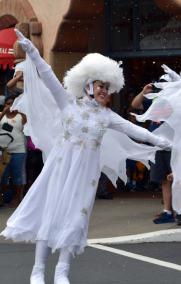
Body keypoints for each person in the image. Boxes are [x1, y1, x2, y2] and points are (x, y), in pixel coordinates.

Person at [1, 30, 171, 284]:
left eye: (107, 86)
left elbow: (135, 130)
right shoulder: (68, 102)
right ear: (89, 85)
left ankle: (62, 272)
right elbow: (48, 76)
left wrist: (164, 142)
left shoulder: (107, 116)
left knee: (75, 219)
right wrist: (33, 52)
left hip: (86, 176)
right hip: (61, 168)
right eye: (100, 85)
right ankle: (37, 271)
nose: (104, 90)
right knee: (52, 213)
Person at [132, 74, 175, 224]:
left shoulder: (176, 100)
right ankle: (168, 211)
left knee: (178, 180)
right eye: (161, 84)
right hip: (158, 145)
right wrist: (144, 92)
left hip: (173, 146)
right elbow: (135, 104)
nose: (162, 87)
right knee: (164, 180)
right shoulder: (154, 100)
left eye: (165, 84)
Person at [0, 94, 26, 208]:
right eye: (8, 103)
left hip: (18, 150)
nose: (11, 105)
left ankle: (16, 199)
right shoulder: (1, 116)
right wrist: (3, 113)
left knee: (17, 174)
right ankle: (2, 198)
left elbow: (28, 127)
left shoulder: (21, 116)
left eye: (13, 103)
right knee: (2, 176)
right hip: (2, 151)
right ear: (4, 105)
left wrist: (22, 112)